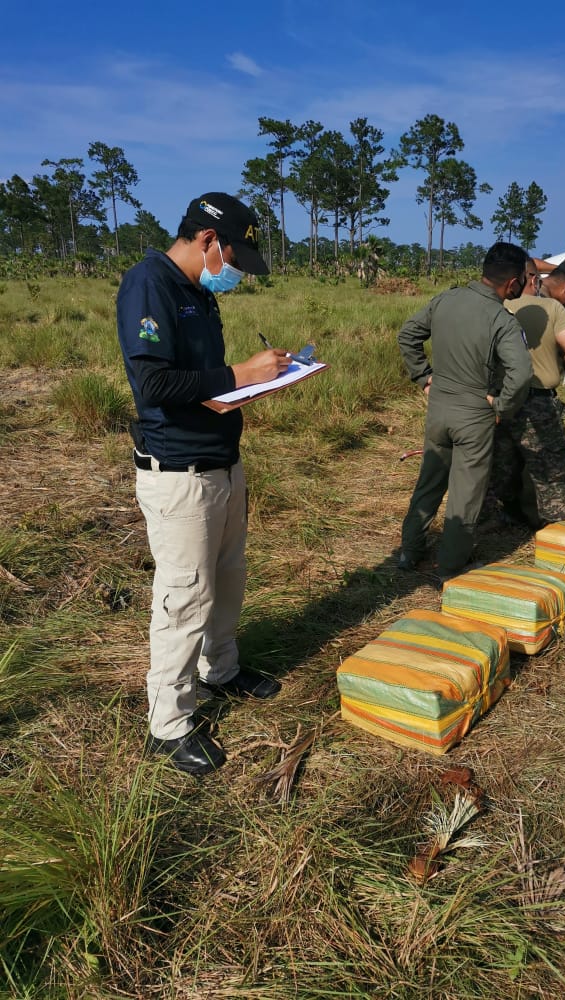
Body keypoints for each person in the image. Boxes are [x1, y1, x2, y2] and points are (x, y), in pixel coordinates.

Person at [117, 192, 289, 776]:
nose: (236, 273)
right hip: (180, 474)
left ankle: (221, 670)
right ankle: (168, 722)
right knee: (184, 598)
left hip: (222, 465)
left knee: (228, 578)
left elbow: (202, 380)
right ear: (210, 241)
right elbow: (153, 385)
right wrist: (241, 373)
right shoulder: (149, 285)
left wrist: (257, 379)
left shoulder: (198, 293)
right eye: (236, 260)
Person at [397, 242, 533, 581]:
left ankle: (409, 551)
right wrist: (502, 406)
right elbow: (521, 373)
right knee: (466, 494)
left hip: (439, 408)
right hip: (474, 414)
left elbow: (408, 334)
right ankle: (451, 565)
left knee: (429, 481)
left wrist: (424, 378)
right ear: (513, 282)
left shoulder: (446, 299)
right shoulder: (502, 320)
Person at [488, 258, 565, 528]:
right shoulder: (552, 308)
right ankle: (555, 523)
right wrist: (555, 358)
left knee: (501, 460)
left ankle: (496, 515)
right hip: (537, 400)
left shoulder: (500, 305)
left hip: (499, 397)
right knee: (550, 463)